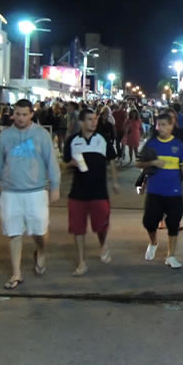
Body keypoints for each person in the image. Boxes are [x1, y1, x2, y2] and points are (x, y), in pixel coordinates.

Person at [0, 99, 61, 290]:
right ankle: (16, 273)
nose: (20, 118)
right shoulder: (5, 136)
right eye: (17, 114)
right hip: (10, 192)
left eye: (24, 114)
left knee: (39, 231)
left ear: (31, 115)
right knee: (14, 232)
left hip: (36, 191)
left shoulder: (41, 135)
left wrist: (55, 186)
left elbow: (51, 161)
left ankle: (41, 252)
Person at [63, 108, 119, 276]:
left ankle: (103, 246)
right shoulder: (72, 141)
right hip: (78, 193)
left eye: (95, 119)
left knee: (101, 226)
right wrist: (70, 164)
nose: (93, 122)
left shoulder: (102, 139)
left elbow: (112, 161)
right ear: (81, 122)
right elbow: (65, 164)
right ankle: (81, 262)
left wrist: (115, 182)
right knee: (78, 229)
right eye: (89, 119)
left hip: (99, 192)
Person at [137, 112, 183, 269]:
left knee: (173, 224)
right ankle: (153, 242)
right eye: (159, 125)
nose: (161, 128)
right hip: (154, 191)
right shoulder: (151, 144)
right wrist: (152, 162)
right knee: (149, 222)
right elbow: (138, 163)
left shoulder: (178, 145)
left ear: (172, 126)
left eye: (165, 125)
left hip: (174, 192)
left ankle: (171, 255)